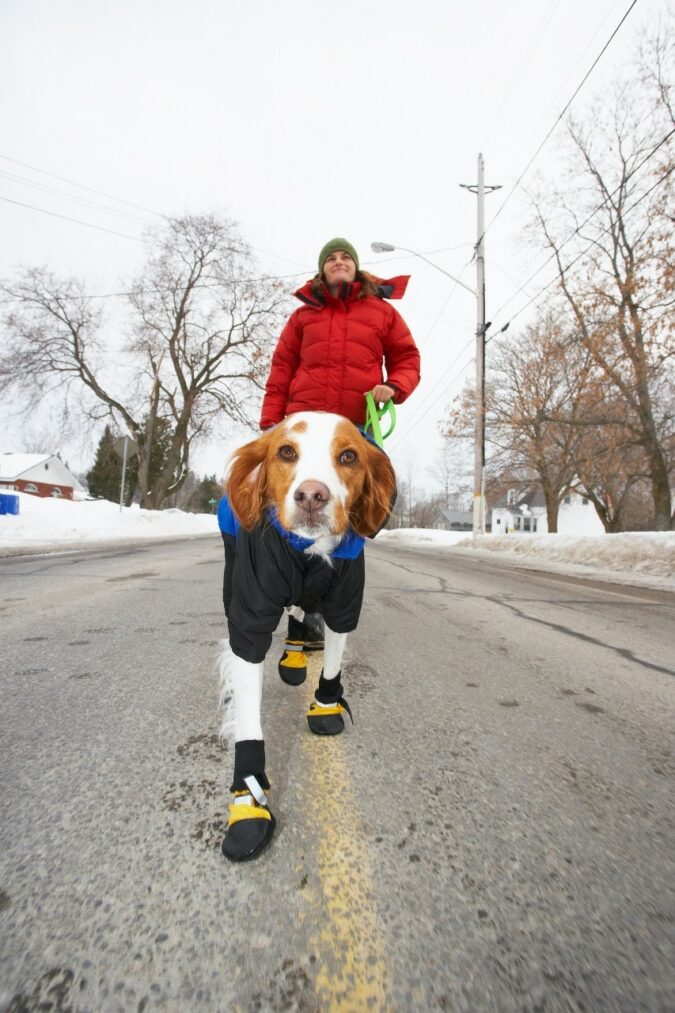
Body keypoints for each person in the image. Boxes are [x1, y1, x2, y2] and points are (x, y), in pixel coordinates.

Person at [221, 236, 420, 682]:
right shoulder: (303, 316)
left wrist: (395, 387)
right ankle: (295, 625)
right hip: (302, 430)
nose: (339, 262)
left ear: (356, 267)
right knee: (286, 530)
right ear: (321, 270)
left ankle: (327, 612)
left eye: (346, 257)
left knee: (347, 533)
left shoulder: (382, 313)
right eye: (331, 258)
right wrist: (274, 425)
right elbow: (281, 368)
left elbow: (407, 357)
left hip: (351, 433)